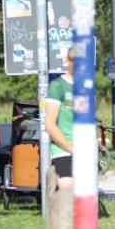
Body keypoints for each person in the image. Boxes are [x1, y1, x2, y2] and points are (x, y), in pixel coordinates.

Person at [44, 46, 75, 178]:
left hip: (86, 152)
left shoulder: (87, 85)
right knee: (68, 188)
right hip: (64, 152)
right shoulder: (57, 86)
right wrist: (72, 148)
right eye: (73, 60)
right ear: (67, 60)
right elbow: (49, 124)